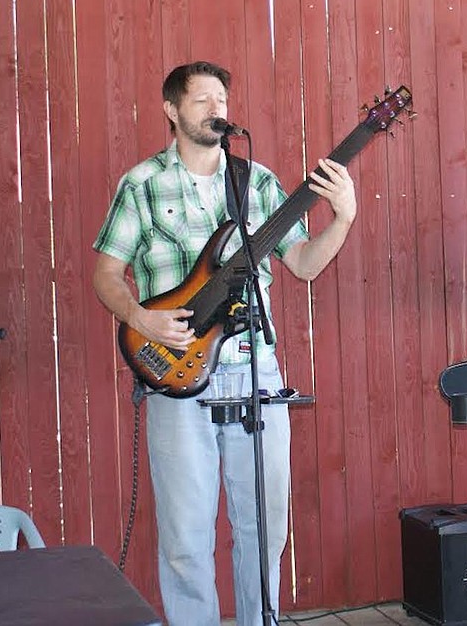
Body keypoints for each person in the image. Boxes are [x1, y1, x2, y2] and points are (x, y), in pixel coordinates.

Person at [92, 61, 357, 626]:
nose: (216, 110)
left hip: (255, 372)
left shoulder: (256, 182)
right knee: (186, 537)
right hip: (175, 373)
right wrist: (142, 317)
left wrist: (344, 218)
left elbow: (304, 265)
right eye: (201, 101)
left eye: (221, 99)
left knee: (266, 526)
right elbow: (107, 275)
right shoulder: (141, 184)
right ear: (171, 110)